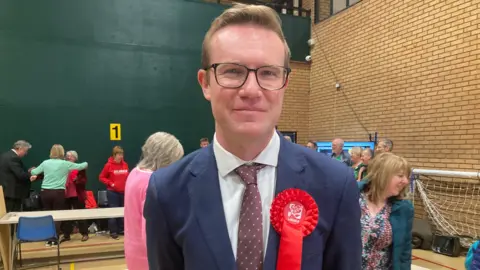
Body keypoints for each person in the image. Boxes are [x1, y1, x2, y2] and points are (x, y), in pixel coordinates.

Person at [143, 4, 361, 270]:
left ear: (284, 84)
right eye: (232, 71)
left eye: (268, 73)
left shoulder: (336, 185)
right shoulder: (166, 191)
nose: (250, 90)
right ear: (205, 83)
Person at [124, 132, 184, 270]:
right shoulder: (152, 184)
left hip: (133, 249)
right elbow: (151, 234)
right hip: (149, 259)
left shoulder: (134, 172)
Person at [357, 152, 413, 270]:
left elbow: (404, 253)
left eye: (407, 177)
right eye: (400, 176)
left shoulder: (404, 209)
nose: (406, 181)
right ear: (382, 175)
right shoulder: (352, 196)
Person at [30, 144, 88, 246]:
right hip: (58, 193)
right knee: (57, 216)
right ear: (62, 153)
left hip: (45, 192)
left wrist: (33, 170)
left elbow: (34, 171)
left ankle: (49, 239)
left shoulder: (45, 162)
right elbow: (82, 166)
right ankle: (54, 238)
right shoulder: (65, 164)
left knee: (48, 216)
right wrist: (86, 163)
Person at [99, 145, 129, 239]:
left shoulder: (125, 164)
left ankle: (121, 229)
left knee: (122, 211)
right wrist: (111, 184)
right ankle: (113, 231)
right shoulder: (108, 165)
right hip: (112, 192)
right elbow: (101, 177)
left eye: (122, 154)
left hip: (123, 192)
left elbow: (127, 176)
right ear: (114, 155)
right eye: (119, 154)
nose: (121, 156)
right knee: (113, 211)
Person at [60, 150, 89, 243]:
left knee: (80, 214)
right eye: (67, 156)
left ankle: (85, 234)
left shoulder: (80, 168)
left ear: (75, 158)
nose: (68, 157)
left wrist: (78, 180)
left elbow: (84, 181)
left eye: (70, 156)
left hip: (77, 194)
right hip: (66, 194)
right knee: (66, 216)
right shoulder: (62, 168)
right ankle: (66, 235)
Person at [0, 140, 33, 212]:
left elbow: (11, 172)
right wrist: (31, 174)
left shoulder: (4, 156)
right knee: (13, 215)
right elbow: (20, 175)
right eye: (25, 151)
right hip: (13, 193)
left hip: (5, 191)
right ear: (20, 148)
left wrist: (27, 172)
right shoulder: (13, 158)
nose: (26, 153)